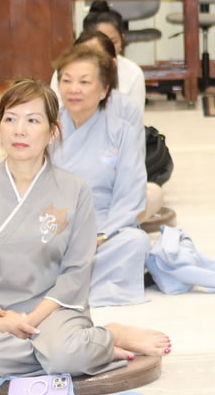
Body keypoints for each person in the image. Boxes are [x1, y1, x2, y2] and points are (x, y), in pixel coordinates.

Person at [0, 78, 169, 382]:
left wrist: (30, 319)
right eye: (10, 119)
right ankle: (87, 348)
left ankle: (100, 338)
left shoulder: (75, 189)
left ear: (53, 131)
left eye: (32, 120)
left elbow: (75, 271)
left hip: (53, 312)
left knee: (62, 352)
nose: (19, 130)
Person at [53, 42, 155, 307]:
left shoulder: (121, 132)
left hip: (102, 227)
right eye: (66, 80)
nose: (73, 89)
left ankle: (61, 289)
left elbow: (130, 195)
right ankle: (74, 282)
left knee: (135, 241)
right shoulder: (46, 127)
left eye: (84, 82)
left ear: (104, 90)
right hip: (54, 224)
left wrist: (100, 236)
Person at [49, 1, 145, 109]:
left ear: (122, 39)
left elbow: (135, 116)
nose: (106, 50)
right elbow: (56, 113)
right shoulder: (64, 71)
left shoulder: (134, 73)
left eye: (112, 42)